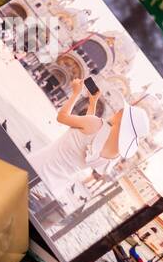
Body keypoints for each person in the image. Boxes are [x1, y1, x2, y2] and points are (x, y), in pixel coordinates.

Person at [29, 78, 151, 212]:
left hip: (36, 169)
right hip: (53, 189)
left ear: (123, 120)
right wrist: (93, 102)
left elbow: (62, 117)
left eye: (122, 111)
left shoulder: (96, 124)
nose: (118, 110)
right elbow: (89, 137)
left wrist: (76, 93)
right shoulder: (114, 154)